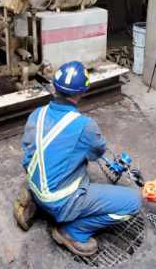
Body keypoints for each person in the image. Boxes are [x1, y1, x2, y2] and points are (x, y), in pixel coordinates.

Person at [13, 61, 141, 257]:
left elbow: (28, 155)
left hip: (36, 183)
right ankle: (72, 232)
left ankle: (35, 199)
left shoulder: (36, 115)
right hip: (60, 201)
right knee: (133, 202)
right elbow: (97, 152)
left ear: (54, 86)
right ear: (82, 92)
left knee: (55, 164)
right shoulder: (84, 126)